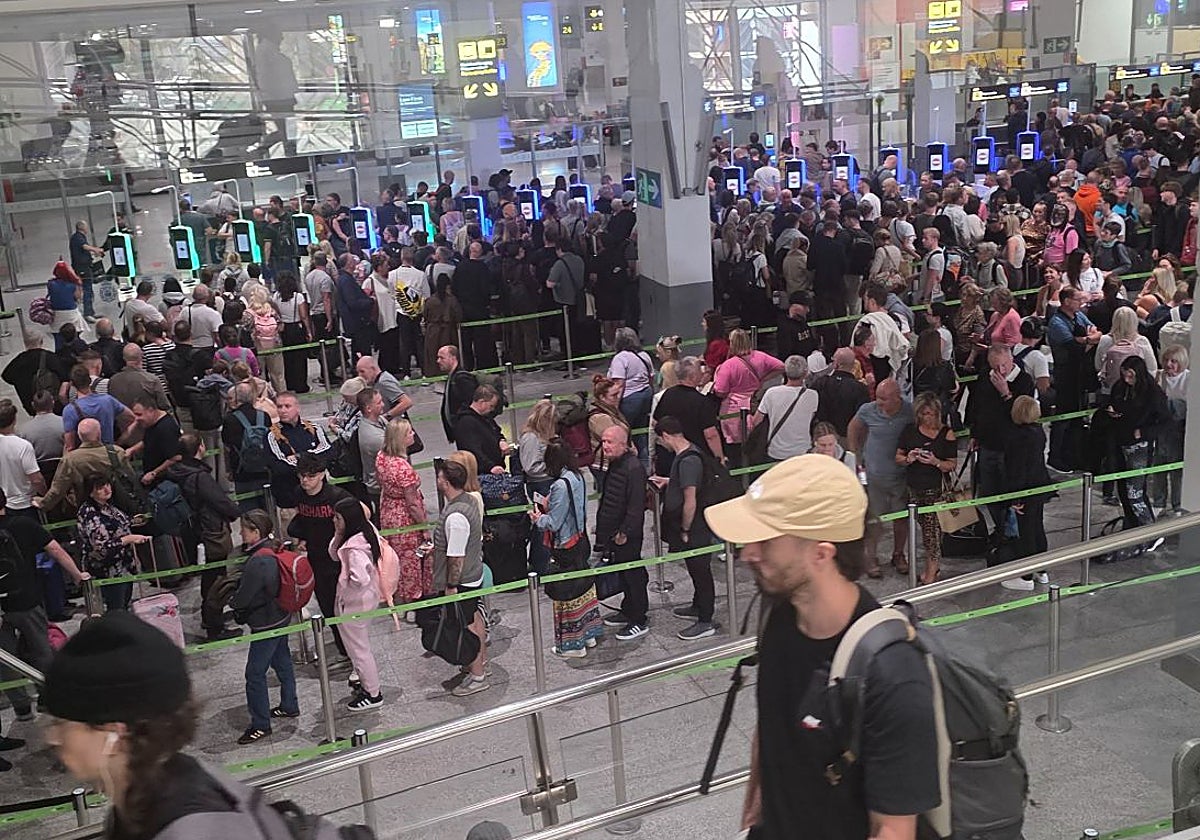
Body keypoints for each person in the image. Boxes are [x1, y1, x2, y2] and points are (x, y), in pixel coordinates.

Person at [703, 455, 938, 840]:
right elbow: (774, 718)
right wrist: (755, 811)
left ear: (821, 553)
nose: (748, 553)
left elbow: (893, 830)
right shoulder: (780, 610)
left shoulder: (892, 674)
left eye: (766, 541)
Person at [229, 509, 300, 744]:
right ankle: (289, 704)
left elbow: (245, 596)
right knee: (282, 660)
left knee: (254, 674)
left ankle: (260, 724)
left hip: (265, 622)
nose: (240, 533)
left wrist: (233, 603)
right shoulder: (274, 548)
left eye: (244, 530)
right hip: (281, 615)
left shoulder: (258, 561)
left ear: (256, 532)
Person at [166, 433, 241, 641]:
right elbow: (220, 501)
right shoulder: (200, 476)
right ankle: (214, 624)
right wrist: (235, 512)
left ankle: (210, 617)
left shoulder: (177, 472)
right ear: (200, 448)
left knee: (210, 577)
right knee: (216, 579)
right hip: (211, 532)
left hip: (194, 532)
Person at [532, 440, 603, 658]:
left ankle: (574, 645)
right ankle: (589, 634)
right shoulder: (577, 477)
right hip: (580, 540)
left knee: (566, 596)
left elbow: (553, 522)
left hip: (564, 547)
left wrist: (538, 518)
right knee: (582, 590)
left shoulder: (559, 485)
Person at [651, 416, 718, 641]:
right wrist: (669, 481)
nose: (662, 444)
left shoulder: (688, 460)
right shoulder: (689, 454)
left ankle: (706, 619)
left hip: (695, 526)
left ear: (667, 435)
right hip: (695, 524)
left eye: (661, 440)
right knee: (695, 568)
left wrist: (686, 528)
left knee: (701, 570)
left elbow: (690, 500)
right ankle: (698, 606)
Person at [287, 453, 352, 659]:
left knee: (345, 609)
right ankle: (343, 649)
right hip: (316, 558)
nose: (305, 481)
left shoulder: (337, 497)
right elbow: (302, 519)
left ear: (322, 475)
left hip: (339, 560)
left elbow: (358, 519)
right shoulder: (299, 493)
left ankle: (351, 650)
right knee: (326, 606)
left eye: (310, 476)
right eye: (302, 476)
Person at [432, 459, 490, 696]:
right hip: (473, 573)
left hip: (462, 580)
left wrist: (451, 586)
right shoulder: (468, 500)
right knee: (475, 618)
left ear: (445, 482)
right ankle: (481, 663)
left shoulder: (455, 516)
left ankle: (477, 676)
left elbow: (456, 556)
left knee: (467, 627)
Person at [967, 344, 1036, 536]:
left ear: (1011, 360)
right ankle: (999, 528)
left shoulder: (1024, 381)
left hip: (1011, 450)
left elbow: (1021, 417)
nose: (1000, 371)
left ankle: (1012, 534)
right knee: (989, 492)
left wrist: (1005, 393)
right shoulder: (985, 378)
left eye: (1003, 366)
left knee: (1010, 493)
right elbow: (977, 406)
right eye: (995, 367)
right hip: (988, 445)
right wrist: (975, 433)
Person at [847, 379, 912, 578]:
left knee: (901, 518)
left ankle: (899, 554)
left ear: (897, 397)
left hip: (901, 476)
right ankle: (871, 557)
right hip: (874, 476)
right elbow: (853, 427)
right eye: (877, 398)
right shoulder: (868, 410)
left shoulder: (909, 411)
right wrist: (854, 453)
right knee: (873, 520)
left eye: (884, 399)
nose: (879, 402)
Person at [1106, 356, 1170, 552]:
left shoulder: (1152, 393)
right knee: (1124, 490)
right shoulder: (1120, 387)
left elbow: (1165, 420)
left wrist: (1143, 432)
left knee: (1135, 492)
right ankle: (1132, 525)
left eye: (1131, 375)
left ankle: (1150, 532)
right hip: (1120, 442)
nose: (1126, 379)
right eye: (1124, 374)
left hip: (1139, 447)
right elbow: (1114, 403)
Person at [593, 425, 649, 641]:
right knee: (625, 574)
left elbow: (636, 505)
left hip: (626, 534)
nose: (605, 446)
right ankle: (628, 609)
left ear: (623, 444)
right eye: (604, 441)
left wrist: (624, 531)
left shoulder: (633, 468)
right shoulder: (615, 464)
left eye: (610, 442)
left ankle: (639, 618)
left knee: (633, 574)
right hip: (612, 531)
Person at [896, 393, 957, 585]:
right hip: (914, 489)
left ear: (937, 413)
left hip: (935, 491)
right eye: (922, 414)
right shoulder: (909, 431)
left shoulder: (946, 433)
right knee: (923, 528)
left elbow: (952, 464)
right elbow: (898, 456)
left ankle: (931, 572)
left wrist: (935, 462)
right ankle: (933, 567)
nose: (925, 418)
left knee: (932, 533)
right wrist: (909, 458)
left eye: (929, 414)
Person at [330, 496, 385, 711]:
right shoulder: (366, 532)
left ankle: (373, 693)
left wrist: (347, 583)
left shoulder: (354, 549)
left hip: (355, 603)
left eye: (338, 518)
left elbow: (359, 577)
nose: (334, 521)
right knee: (359, 648)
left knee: (359, 650)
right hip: (367, 597)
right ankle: (367, 685)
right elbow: (334, 555)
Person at [998, 396, 1052, 591]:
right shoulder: (1038, 432)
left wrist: (1015, 497)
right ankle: (1041, 571)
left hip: (1025, 489)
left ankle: (1026, 576)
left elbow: (1016, 469)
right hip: (1040, 485)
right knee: (1037, 528)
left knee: (1027, 532)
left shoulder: (1016, 437)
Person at [1046, 287, 1101, 471]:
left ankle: (1075, 454)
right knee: (1063, 418)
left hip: (1081, 374)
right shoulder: (1057, 323)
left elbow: (1097, 333)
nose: (1081, 302)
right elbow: (1072, 347)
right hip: (1065, 375)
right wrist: (1087, 341)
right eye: (1078, 299)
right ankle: (1056, 456)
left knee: (1078, 417)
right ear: (1067, 301)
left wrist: (1085, 340)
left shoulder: (1079, 316)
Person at [77, 473, 150, 611]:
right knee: (116, 609)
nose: (107, 489)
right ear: (90, 492)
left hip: (123, 566)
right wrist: (129, 539)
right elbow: (102, 548)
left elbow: (122, 522)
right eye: (100, 487)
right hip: (107, 570)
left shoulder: (107, 506)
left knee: (123, 605)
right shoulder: (90, 514)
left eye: (107, 485)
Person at [377, 417, 429, 606]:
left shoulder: (382, 456)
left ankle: (396, 591)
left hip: (388, 509)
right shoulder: (403, 468)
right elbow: (413, 504)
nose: (413, 434)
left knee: (395, 557)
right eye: (409, 432)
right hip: (404, 517)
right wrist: (424, 526)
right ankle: (412, 596)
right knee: (410, 559)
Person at [713, 329, 786, 462]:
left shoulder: (728, 366)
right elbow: (781, 366)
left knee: (736, 449)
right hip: (755, 405)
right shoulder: (761, 357)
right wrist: (763, 379)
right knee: (755, 444)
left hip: (733, 410)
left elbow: (720, 391)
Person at [268, 392, 332, 525]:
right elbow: (279, 467)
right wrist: (313, 458)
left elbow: (328, 453)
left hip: (319, 502)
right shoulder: (272, 435)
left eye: (287, 406)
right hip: (289, 501)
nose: (283, 410)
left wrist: (298, 456)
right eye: (279, 407)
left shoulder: (314, 428)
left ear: (297, 408)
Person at [752, 355, 819, 462]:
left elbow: (756, 421)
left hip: (776, 451)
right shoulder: (813, 395)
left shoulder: (771, 393)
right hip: (802, 450)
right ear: (805, 373)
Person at [607, 327, 655, 467]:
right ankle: (646, 467)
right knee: (641, 434)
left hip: (630, 400)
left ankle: (627, 466)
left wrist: (614, 408)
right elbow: (651, 378)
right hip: (646, 395)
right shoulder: (645, 355)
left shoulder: (620, 358)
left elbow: (619, 385)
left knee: (624, 434)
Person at [518, 400, 557, 575]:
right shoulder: (530, 438)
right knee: (542, 526)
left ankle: (541, 559)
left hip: (546, 482)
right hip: (539, 484)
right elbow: (530, 467)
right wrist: (552, 466)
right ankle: (540, 564)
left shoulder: (541, 435)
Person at [62, 365, 134, 450]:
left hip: (85, 458)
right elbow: (133, 418)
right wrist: (119, 442)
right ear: (89, 381)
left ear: (72, 384)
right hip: (108, 453)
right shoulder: (108, 400)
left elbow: (70, 446)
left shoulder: (70, 410)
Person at [0, 401, 46, 518]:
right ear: (14, 421)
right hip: (25, 504)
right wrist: (45, 495)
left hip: (3, 505)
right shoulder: (22, 446)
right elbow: (36, 479)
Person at [813, 347, 869, 438]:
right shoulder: (860, 389)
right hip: (849, 437)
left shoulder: (821, 383)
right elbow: (863, 418)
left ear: (837, 364)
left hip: (823, 437)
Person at [586, 376, 630, 493]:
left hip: (612, 462)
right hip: (604, 466)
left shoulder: (611, 410)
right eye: (613, 395)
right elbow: (615, 438)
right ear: (602, 397)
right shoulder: (600, 417)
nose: (617, 398)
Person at [453, 385, 510, 474]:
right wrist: (490, 466)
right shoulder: (465, 423)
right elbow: (473, 450)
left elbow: (496, 431)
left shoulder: (486, 417)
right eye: (491, 406)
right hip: (481, 473)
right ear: (482, 402)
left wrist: (501, 440)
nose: (492, 409)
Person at [355, 387, 388, 512]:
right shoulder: (373, 436)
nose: (383, 404)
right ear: (369, 408)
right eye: (379, 402)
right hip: (380, 488)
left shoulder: (380, 419)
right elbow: (397, 447)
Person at [423, 276, 463, 380]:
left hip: (433, 331)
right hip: (448, 331)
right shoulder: (452, 300)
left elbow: (425, 315)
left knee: (432, 355)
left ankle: (432, 375)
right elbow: (458, 315)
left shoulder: (430, 300)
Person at [437, 345, 479, 444]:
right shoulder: (452, 377)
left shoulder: (462, 379)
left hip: (467, 433)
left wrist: (458, 422)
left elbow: (470, 404)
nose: (438, 361)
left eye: (442, 358)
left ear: (453, 358)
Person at [47, 261, 86, 349]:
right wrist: (76, 280)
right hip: (71, 314)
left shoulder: (51, 284)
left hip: (56, 316)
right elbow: (78, 297)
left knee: (58, 340)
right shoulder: (72, 285)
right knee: (75, 337)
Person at [20, 390, 64, 464]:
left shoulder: (23, 431)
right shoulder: (65, 423)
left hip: (38, 470)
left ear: (33, 405)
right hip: (64, 468)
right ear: (53, 402)